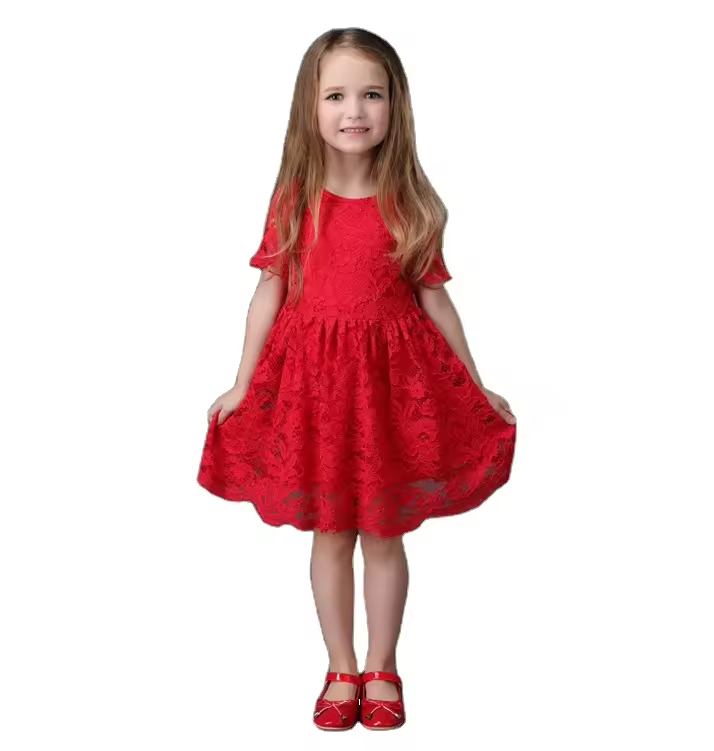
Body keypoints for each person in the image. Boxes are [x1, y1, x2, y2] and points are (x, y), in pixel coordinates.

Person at [197, 27, 517, 732]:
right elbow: (269, 292)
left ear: (395, 104)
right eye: (336, 95)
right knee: (332, 533)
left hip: (386, 392)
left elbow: (435, 300)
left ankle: (383, 665)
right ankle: (340, 666)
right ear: (309, 107)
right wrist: (242, 383)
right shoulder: (296, 198)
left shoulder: (410, 201)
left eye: (371, 95)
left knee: (383, 534)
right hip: (316, 392)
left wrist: (474, 383)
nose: (354, 111)